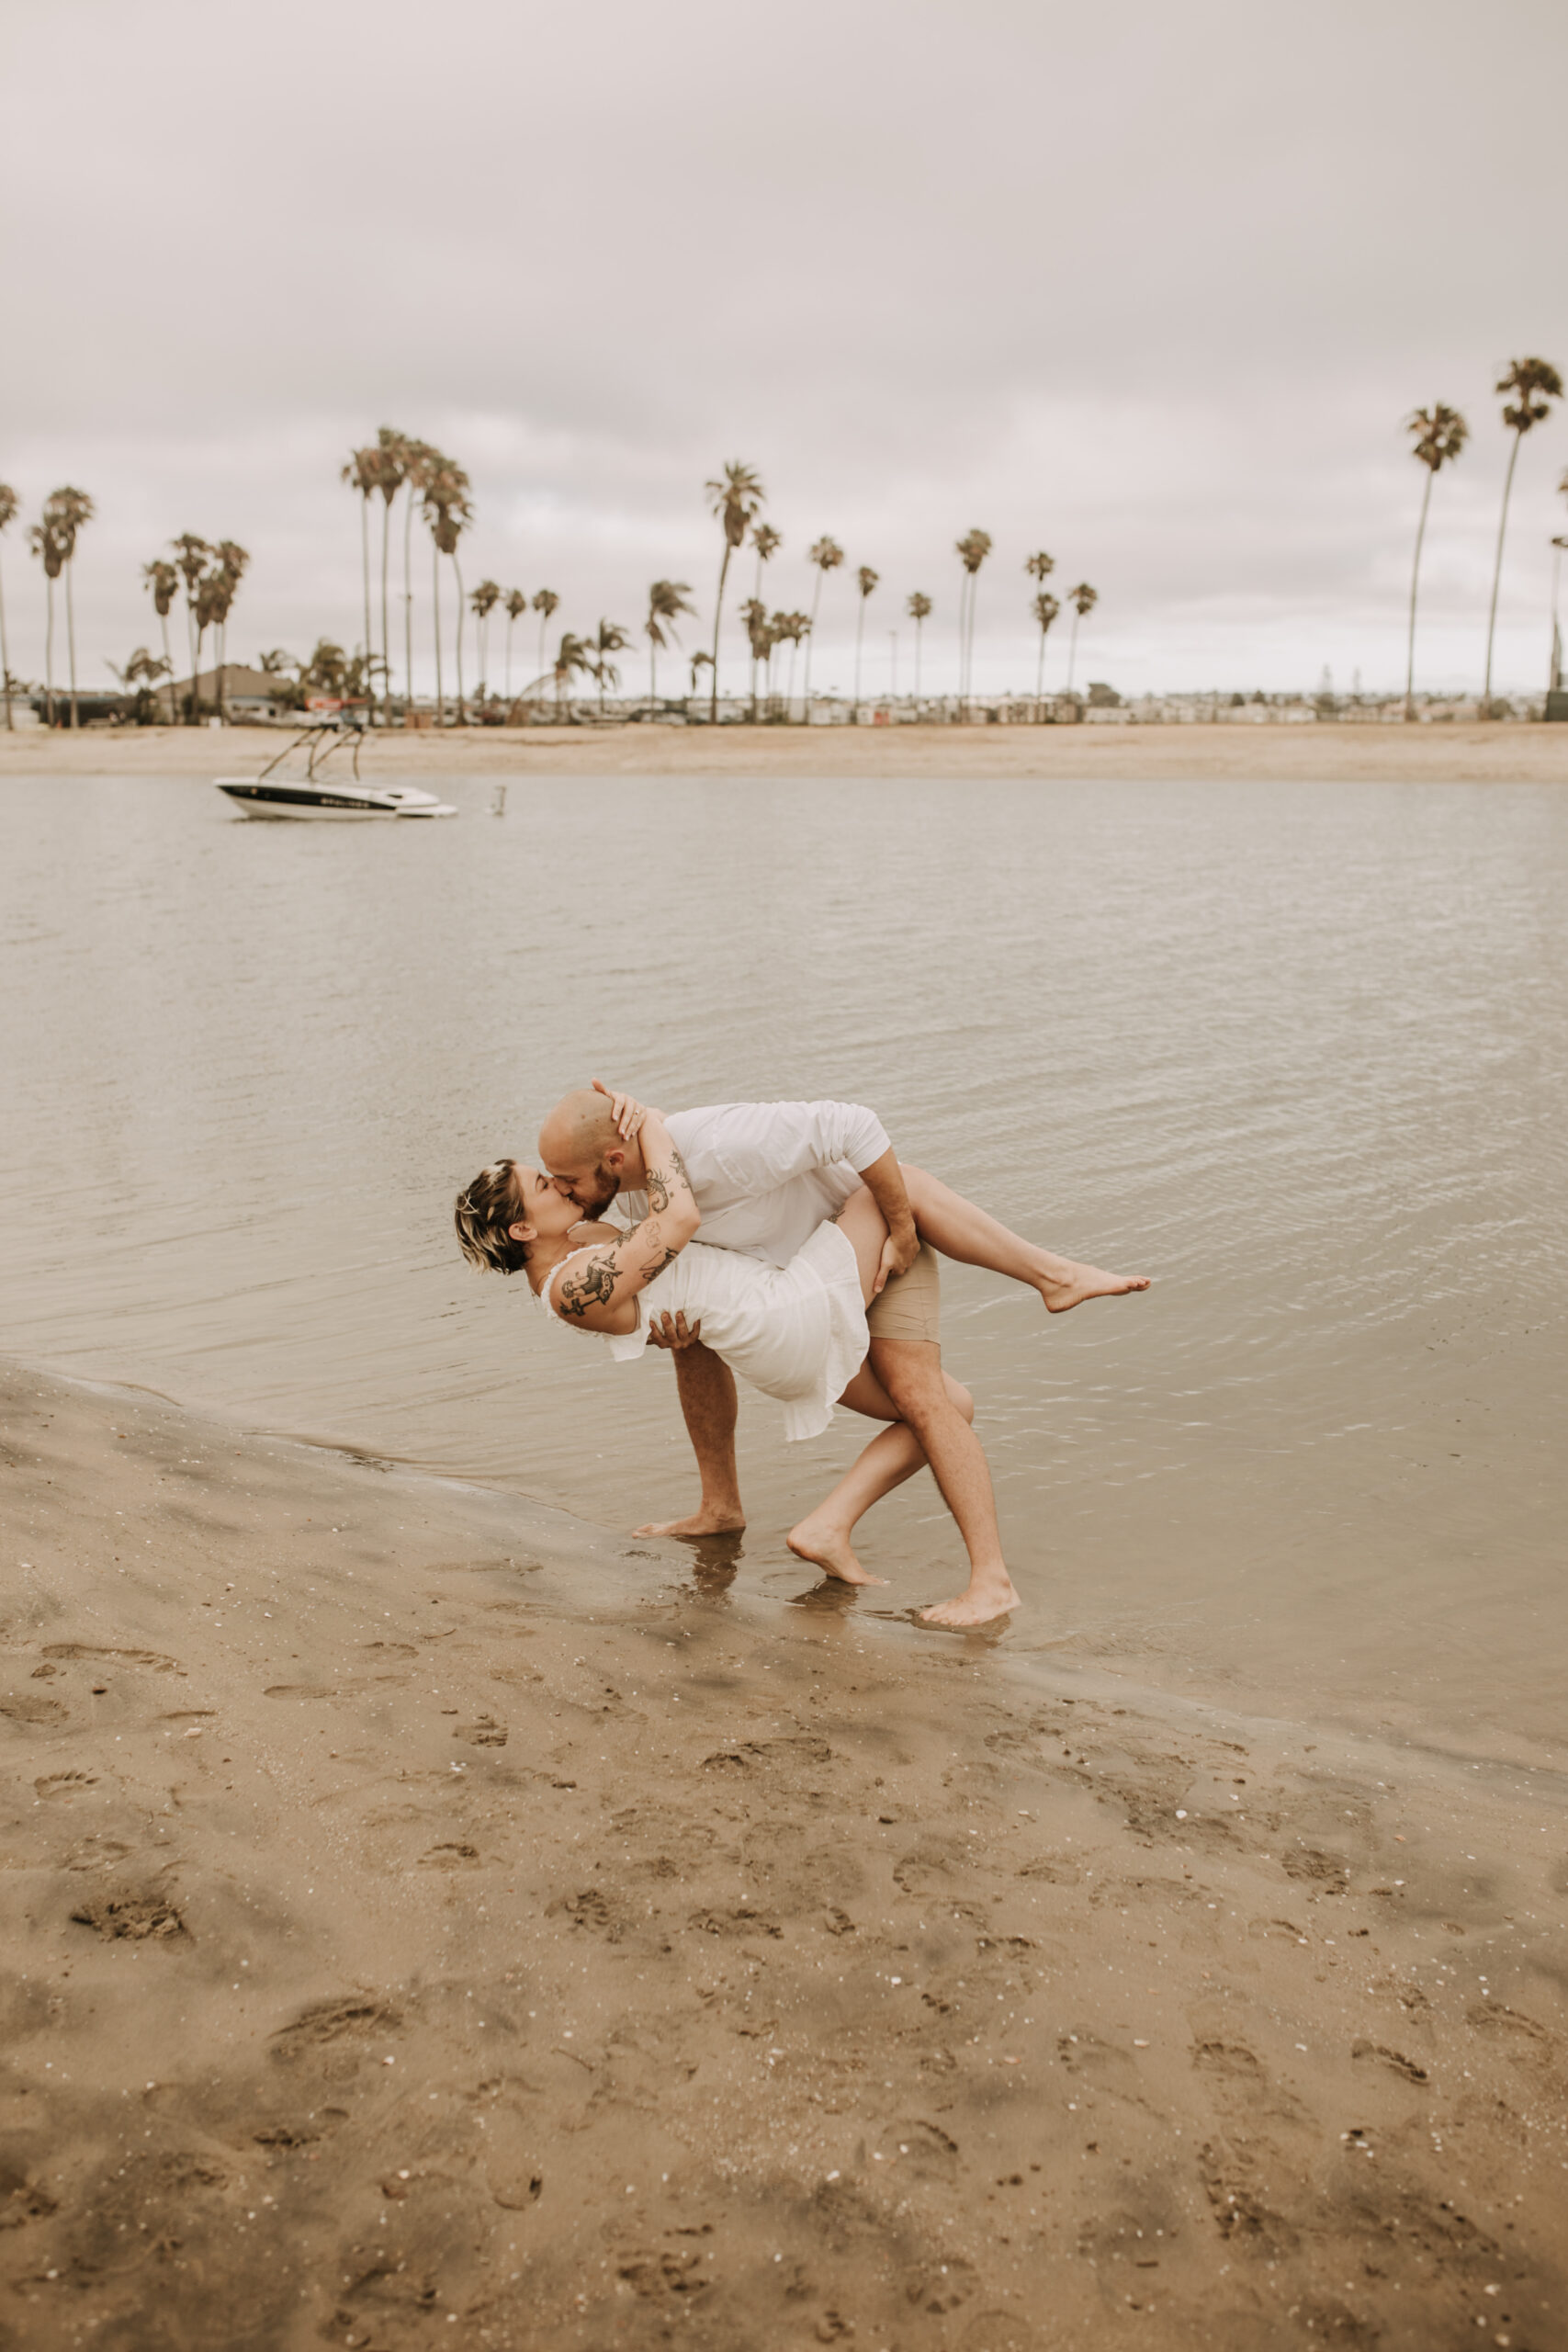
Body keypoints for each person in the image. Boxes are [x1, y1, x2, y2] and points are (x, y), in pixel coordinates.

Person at [453, 1108, 1020, 1625]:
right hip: (786, 1316)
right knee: (900, 1188)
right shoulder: (572, 1286)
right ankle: (1049, 1279)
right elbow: (678, 1217)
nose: (558, 1185)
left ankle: (824, 1524)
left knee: (951, 1409)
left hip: (774, 1336)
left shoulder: (573, 1250)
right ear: (523, 1230)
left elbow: (658, 1272)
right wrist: (649, 1122)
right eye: (543, 1185)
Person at [534, 1084, 1146, 1561]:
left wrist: (902, 1232)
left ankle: (1053, 1278)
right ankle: (728, 1509)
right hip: (804, 1288)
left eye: (567, 1181)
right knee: (696, 1343)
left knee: (927, 1392)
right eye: (554, 1183)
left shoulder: (715, 1143)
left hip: (873, 1244)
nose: (566, 1193)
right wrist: (679, 1319)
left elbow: (853, 1124)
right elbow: (682, 1258)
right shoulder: (638, 1190)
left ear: (613, 1158)